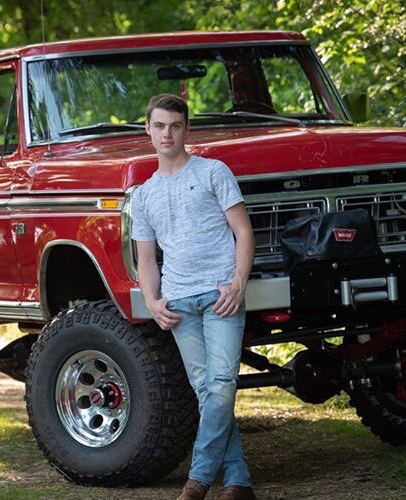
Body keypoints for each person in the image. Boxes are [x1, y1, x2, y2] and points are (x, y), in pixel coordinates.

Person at [130, 94, 256, 500]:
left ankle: (197, 481)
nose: (167, 134)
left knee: (221, 385)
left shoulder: (213, 172)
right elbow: (145, 258)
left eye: (175, 126)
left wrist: (238, 283)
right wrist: (152, 301)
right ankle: (238, 483)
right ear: (148, 130)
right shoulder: (143, 195)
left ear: (187, 129)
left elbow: (244, 231)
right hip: (179, 304)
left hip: (221, 295)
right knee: (207, 392)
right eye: (159, 126)